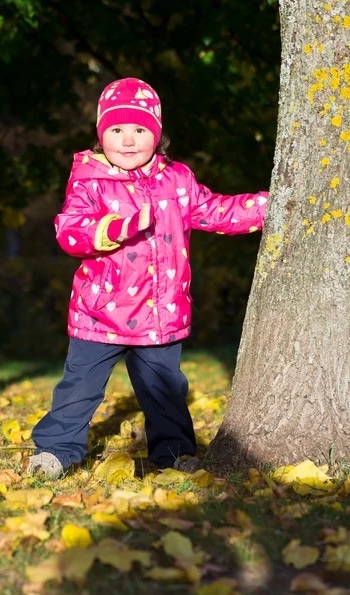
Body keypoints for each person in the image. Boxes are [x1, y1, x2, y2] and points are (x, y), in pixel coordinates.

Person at [25, 77, 269, 479]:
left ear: (156, 136)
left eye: (140, 130)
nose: (128, 140)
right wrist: (113, 228)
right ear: (102, 136)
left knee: (165, 391)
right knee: (79, 388)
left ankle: (172, 454)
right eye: (117, 130)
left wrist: (267, 206)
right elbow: (70, 230)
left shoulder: (177, 181)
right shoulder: (90, 179)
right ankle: (55, 450)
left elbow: (216, 211)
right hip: (100, 313)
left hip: (159, 314)